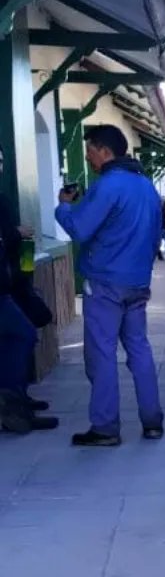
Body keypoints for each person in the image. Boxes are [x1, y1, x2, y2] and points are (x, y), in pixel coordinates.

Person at [55, 124, 164, 446]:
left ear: (104, 151)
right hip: (137, 282)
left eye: (89, 151)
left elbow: (79, 228)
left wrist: (64, 205)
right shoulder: (147, 186)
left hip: (105, 283)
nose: (87, 158)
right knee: (139, 350)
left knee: (101, 354)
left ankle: (105, 428)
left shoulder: (108, 185)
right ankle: (153, 422)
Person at [0, 149, 58, 433]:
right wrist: (15, 233)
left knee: (18, 337)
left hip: (9, 282)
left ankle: (17, 399)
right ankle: (12, 404)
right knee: (23, 335)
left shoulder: (2, 198)